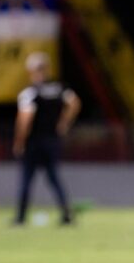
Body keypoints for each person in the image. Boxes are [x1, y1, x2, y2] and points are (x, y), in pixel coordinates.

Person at [12, 52, 82, 226]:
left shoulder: (30, 93)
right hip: (52, 141)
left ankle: (21, 217)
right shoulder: (59, 88)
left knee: (27, 179)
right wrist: (64, 123)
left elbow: (25, 118)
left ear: (31, 71)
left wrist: (19, 141)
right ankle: (66, 214)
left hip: (33, 142)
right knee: (54, 178)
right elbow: (75, 103)